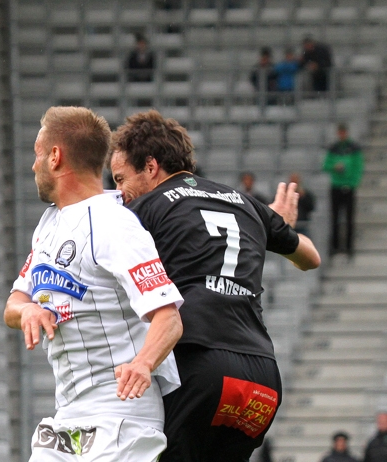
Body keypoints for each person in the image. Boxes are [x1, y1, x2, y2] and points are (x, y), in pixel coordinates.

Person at [109, 110, 321, 462]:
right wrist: (270, 224)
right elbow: (310, 257)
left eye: (120, 179)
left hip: (201, 363)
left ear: (150, 166)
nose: (119, 193)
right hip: (262, 379)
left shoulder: (143, 210)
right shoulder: (245, 203)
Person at [4, 106, 185, 461]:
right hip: (68, 417)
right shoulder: (49, 225)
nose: (33, 165)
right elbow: (14, 303)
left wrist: (144, 364)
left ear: (55, 156)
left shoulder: (114, 225)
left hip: (120, 414)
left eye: (37, 154)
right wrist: (27, 310)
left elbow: (169, 318)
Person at [322, 123, 364, 257]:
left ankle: (349, 247)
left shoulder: (354, 148)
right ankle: (335, 247)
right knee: (335, 217)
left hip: (349, 187)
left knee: (349, 218)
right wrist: (335, 166)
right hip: (336, 186)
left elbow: (358, 167)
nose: (342, 135)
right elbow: (325, 165)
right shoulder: (334, 148)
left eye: (343, 132)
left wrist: (353, 183)